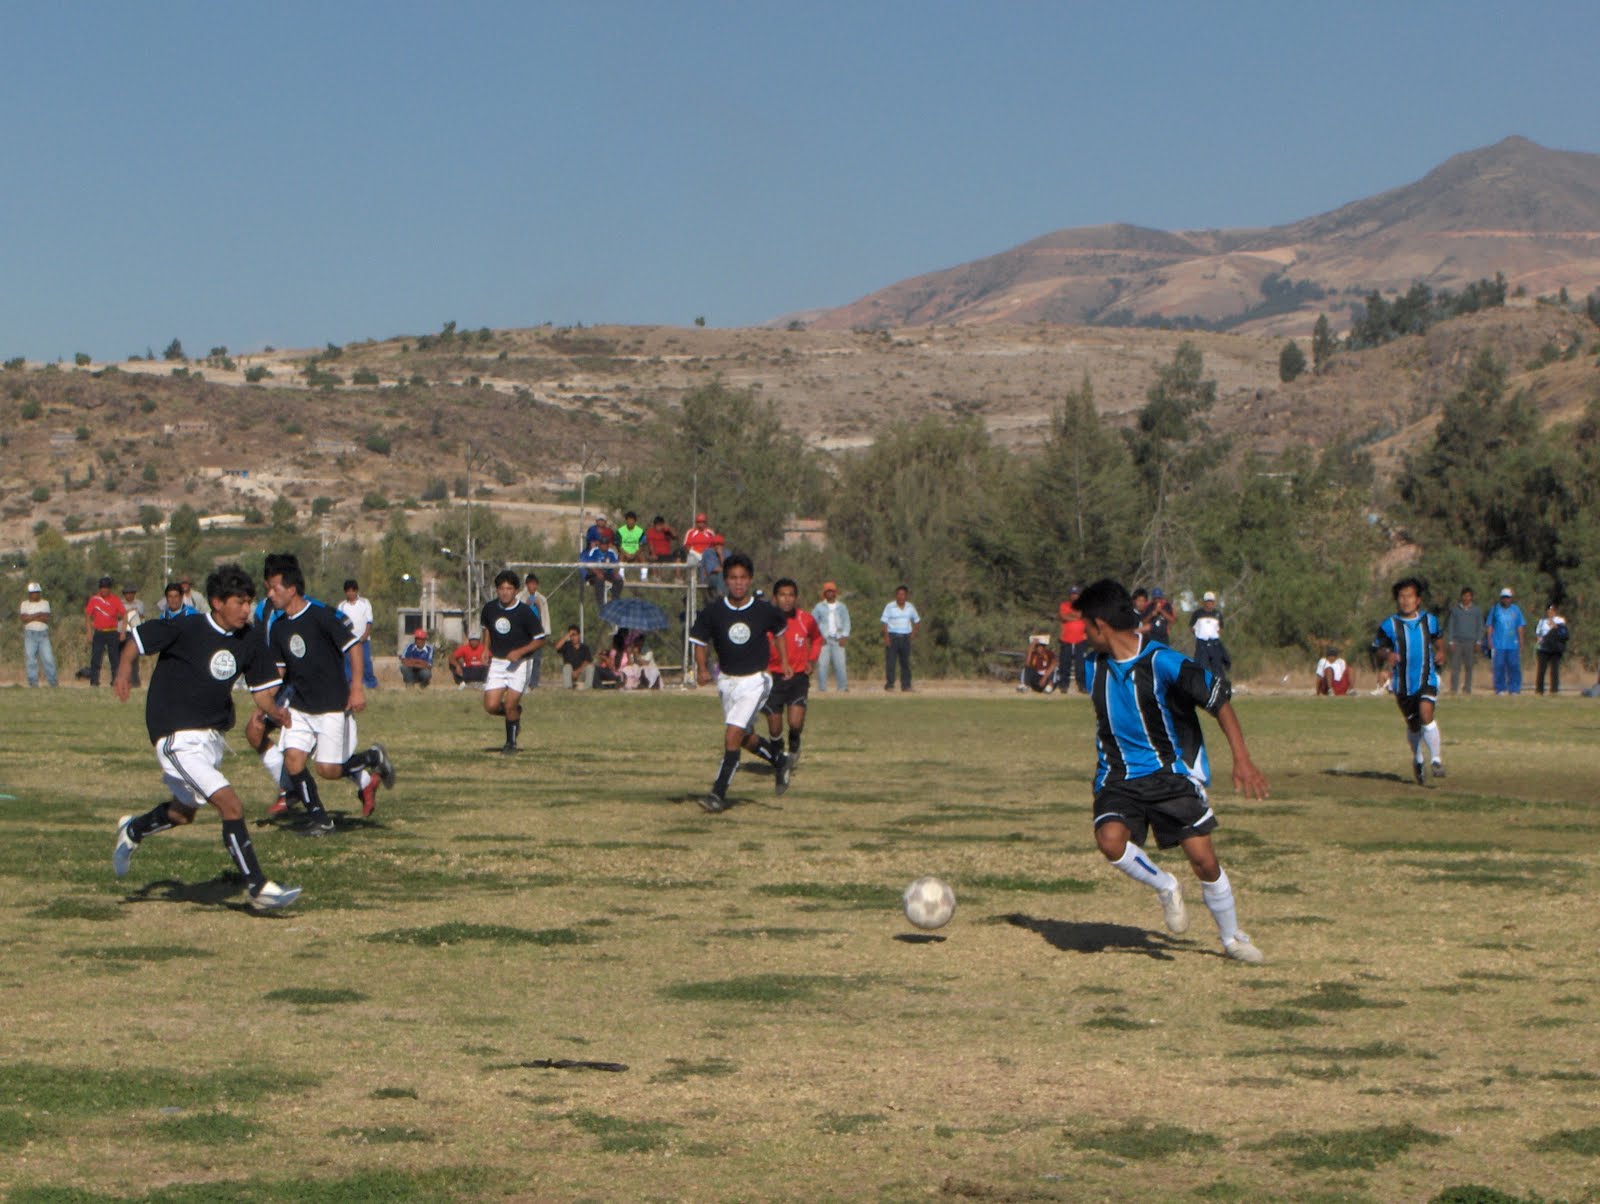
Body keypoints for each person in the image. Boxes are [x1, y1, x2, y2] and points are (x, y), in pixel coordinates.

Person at [1076, 578, 1269, 964]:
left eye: (1085, 625)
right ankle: (1165, 885)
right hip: (1117, 777)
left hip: (1169, 776)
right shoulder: (1090, 668)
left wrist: (1242, 759)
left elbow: (1219, 702)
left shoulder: (1164, 661)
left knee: (1204, 861)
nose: (1082, 633)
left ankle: (1232, 937)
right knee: (1110, 841)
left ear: (1100, 625)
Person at [109, 563, 300, 910]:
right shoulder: (186, 626)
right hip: (175, 737)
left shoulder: (251, 640)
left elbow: (261, 693)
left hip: (212, 739)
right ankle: (258, 887)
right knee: (230, 803)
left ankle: (134, 830)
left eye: (250, 602)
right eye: (239, 602)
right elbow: (136, 642)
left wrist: (274, 710)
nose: (247, 609)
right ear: (216, 602)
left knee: (183, 813)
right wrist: (124, 671)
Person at [261, 560, 395, 830]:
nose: (270, 595)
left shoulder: (321, 616)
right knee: (293, 759)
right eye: (268, 589)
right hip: (300, 706)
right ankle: (320, 819)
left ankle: (371, 758)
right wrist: (265, 701)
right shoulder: (278, 628)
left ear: (292, 588)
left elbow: (354, 647)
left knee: (328, 770)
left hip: (332, 705)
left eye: (274, 589)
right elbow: (279, 671)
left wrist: (356, 687)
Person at [689, 552, 793, 813]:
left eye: (743, 578)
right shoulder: (713, 612)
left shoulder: (763, 610)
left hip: (755, 681)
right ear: (726, 580)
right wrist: (702, 669)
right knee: (744, 737)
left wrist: (785, 660)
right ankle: (780, 760)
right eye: (733, 578)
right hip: (726, 681)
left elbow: (780, 632)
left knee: (732, 735)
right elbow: (699, 642)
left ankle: (717, 793)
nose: (738, 583)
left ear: (750, 580)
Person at [1375, 577, 1447, 784]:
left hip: (1427, 678)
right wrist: (1386, 656)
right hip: (1402, 684)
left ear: (1418, 600)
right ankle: (1418, 759)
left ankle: (1436, 760)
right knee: (1413, 725)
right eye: (1401, 596)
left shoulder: (1429, 621)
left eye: (1409, 596)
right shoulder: (1389, 625)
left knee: (1426, 713)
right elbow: (1378, 648)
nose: (1405, 600)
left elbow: (1438, 637)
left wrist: (1441, 651)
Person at [759, 578, 822, 769]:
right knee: (774, 726)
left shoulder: (805, 619)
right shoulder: (765, 620)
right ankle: (778, 756)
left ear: (796, 598)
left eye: (791, 595)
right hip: (773, 678)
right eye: (782, 595)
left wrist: (811, 660)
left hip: (797, 677)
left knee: (795, 722)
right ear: (775, 598)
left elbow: (818, 639)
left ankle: (794, 748)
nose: (787, 599)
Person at [480, 569, 545, 754]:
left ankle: (510, 744)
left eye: (509, 588)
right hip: (498, 663)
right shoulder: (490, 608)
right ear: (497, 590)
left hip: (520, 665)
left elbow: (540, 639)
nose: (505, 592)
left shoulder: (524, 612)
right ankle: (515, 715)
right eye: (501, 588)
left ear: (516, 590)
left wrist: (520, 651)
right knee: (491, 706)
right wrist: (486, 649)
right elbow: (487, 629)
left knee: (509, 704)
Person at [84, 575, 126, 687]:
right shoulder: (94, 600)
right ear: (100, 588)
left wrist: (122, 632)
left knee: (115, 658)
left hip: (112, 632)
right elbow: (88, 616)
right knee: (96, 658)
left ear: (109, 588)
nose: (104, 590)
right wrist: (88, 632)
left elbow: (124, 614)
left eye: (106, 587)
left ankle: (115, 681)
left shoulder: (115, 600)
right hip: (99, 632)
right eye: (102, 587)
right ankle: (94, 681)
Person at [337, 579, 379, 689]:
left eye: (353, 591)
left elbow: (369, 620)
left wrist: (365, 635)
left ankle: (370, 684)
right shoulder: (342, 606)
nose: (351, 594)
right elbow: (339, 622)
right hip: (348, 640)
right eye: (348, 591)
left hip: (363, 639)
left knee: (365, 661)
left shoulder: (364, 603)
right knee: (348, 662)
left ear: (356, 591)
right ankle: (350, 684)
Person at [1485, 587, 1527, 695]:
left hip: (1513, 643)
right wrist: (1489, 639)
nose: (1506, 600)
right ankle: (1500, 688)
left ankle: (1514, 688)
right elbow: (1490, 625)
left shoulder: (1516, 610)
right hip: (1498, 643)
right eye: (1504, 597)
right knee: (1499, 666)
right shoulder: (1495, 609)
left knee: (1514, 666)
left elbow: (1520, 626)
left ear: (1511, 598)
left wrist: (1521, 641)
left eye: (1508, 597)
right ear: (1501, 598)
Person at [880, 584, 920, 692]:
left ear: (906, 596)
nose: (901, 596)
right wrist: (886, 637)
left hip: (905, 637)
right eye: (899, 594)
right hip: (893, 636)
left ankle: (906, 685)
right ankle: (889, 685)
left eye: (903, 594)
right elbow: (884, 622)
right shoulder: (890, 606)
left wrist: (913, 634)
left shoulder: (910, 607)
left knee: (905, 663)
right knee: (891, 662)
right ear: (896, 595)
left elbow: (917, 621)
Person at [813, 581, 851, 692]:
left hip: (838, 639)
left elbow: (846, 622)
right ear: (824, 593)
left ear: (835, 593)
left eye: (832, 591)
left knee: (840, 665)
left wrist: (844, 636)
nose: (830, 593)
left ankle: (842, 687)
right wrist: (819, 637)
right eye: (827, 591)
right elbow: (813, 623)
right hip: (824, 639)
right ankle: (822, 688)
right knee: (822, 665)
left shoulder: (842, 607)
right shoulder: (819, 607)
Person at [1445, 588, 1484, 694]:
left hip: (1471, 642)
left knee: (1469, 666)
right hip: (1457, 641)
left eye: (1468, 596)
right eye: (1464, 596)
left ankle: (1467, 688)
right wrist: (1450, 641)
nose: (1466, 598)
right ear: (1461, 596)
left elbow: (1480, 626)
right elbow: (1451, 625)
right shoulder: (1455, 610)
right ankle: (1454, 689)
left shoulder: (1476, 610)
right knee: (1455, 666)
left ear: (1471, 597)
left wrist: (1479, 641)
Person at [20, 581, 58, 688]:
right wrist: (38, 614)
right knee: (31, 659)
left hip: (43, 634)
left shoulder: (45, 603)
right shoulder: (24, 604)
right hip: (30, 634)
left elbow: (45, 618)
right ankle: (33, 683)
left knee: (48, 658)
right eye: (33, 592)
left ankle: (53, 682)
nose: (36, 594)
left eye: (37, 592)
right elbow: (24, 618)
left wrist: (31, 616)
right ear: (29, 594)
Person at [1190, 591, 1230, 680]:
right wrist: (1199, 634)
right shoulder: (1198, 613)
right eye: (1208, 601)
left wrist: (1214, 636)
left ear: (1214, 602)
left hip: (1214, 643)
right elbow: (1192, 627)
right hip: (1202, 644)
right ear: (1204, 602)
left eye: (1211, 601)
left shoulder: (1217, 614)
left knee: (1217, 667)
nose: (1209, 603)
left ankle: (1218, 686)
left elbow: (1221, 628)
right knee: (1201, 667)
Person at [521, 573, 551, 689]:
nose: (533, 586)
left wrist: (539, 606)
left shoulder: (541, 599)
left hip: (537, 631)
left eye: (535, 584)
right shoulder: (520, 597)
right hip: (524, 632)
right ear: (526, 585)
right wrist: (526, 605)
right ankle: (523, 681)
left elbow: (544, 616)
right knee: (524, 658)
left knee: (536, 658)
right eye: (530, 584)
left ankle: (534, 683)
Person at [1057, 587, 1088, 694]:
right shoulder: (1064, 605)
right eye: (1073, 594)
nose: (1075, 596)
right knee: (1065, 663)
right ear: (1070, 595)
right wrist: (1077, 616)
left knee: (1081, 664)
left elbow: (1085, 617)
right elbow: (1063, 616)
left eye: (1077, 594)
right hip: (1066, 639)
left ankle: (1082, 685)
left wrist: (1072, 615)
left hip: (1081, 639)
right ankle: (1064, 685)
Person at [580, 537, 624, 610]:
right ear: (599, 545)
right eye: (603, 544)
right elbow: (589, 564)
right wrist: (597, 573)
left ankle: (615, 599)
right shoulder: (594, 552)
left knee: (619, 580)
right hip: (595, 572)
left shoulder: (611, 552)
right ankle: (600, 603)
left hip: (608, 572)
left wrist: (616, 572)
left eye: (606, 544)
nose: (604, 546)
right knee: (599, 580)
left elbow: (616, 564)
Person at [1535, 603, 1569, 695]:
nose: (1550, 613)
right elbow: (1538, 633)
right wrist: (1540, 640)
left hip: (1555, 648)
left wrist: (1555, 626)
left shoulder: (1560, 620)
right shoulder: (1542, 621)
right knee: (1541, 670)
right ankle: (1539, 690)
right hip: (1544, 648)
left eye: (1552, 610)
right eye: (1549, 611)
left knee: (1554, 670)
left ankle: (1554, 690)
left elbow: (1563, 632)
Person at [119, 584, 146, 688]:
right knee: (121, 657)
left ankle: (135, 681)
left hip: (135, 632)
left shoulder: (139, 604)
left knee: (134, 658)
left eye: (131, 593)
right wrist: (127, 613)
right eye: (127, 593)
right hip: (123, 632)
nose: (129, 595)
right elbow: (117, 616)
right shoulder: (120, 603)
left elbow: (142, 617)